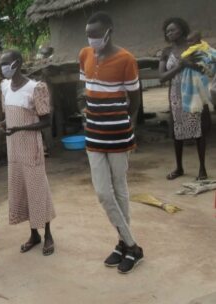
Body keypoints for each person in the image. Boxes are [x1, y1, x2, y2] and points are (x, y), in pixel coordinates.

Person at [79, 12, 143, 274]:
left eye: (96, 34)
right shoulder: (84, 55)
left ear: (109, 32)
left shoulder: (126, 59)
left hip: (119, 134)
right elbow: (83, 89)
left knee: (120, 190)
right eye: (89, 35)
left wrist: (129, 123)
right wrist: (84, 111)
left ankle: (122, 244)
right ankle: (132, 245)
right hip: (93, 135)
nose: (92, 39)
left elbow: (135, 98)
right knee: (103, 193)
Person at [0, 49, 56, 256]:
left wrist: (21, 128)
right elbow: (10, 116)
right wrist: (3, 124)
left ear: (17, 63)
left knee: (38, 190)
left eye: (6, 63)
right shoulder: (5, 88)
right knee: (23, 190)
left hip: (31, 148)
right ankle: (34, 234)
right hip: (14, 150)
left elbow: (46, 121)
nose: (3, 67)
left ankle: (47, 234)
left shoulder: (35, 88)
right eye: (1, 63)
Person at [159, 18, 211, 181]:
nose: (169, 33)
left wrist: (189, 65)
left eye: (172, 30)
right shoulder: (166, 52)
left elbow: (205, 68)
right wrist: (180, 66)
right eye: (167, 31)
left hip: (194, 92)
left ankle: (202, 169)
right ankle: (179, 167)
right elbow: (161, 77)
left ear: (181, 29)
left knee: (199, 130)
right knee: (177, 131)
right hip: (175, 94)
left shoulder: (194, 48)